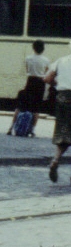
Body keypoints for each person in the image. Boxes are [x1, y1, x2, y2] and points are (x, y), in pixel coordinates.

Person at [8, 40, 50, 136]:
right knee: (36, 108)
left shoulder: (28, 58)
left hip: (30, 81)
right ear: (43, 49)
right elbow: (46, 72)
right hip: (40, 83)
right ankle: (32, 130)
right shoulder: (46, 60)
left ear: (33, 48)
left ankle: (11, 127)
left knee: (21, 105)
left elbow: (27, 70)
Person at [46, 42, 71, 182]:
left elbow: (47, 78)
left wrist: (59, 83)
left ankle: (55, 160)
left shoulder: (61, 61)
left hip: (62, 98)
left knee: (63, 135)